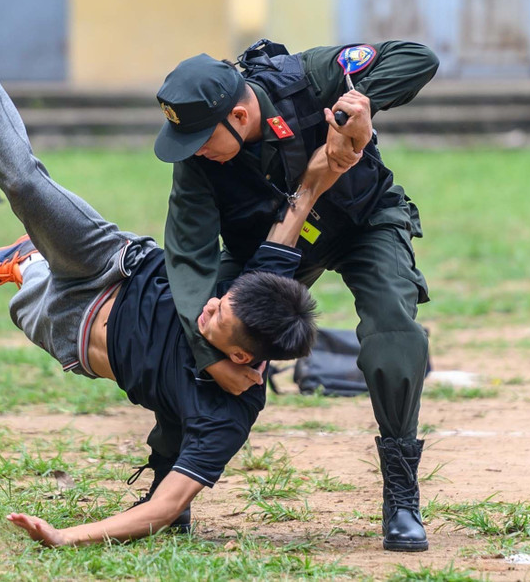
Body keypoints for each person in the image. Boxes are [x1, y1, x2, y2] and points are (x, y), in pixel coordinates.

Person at [0, 0, 360, 545]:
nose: (206, 304)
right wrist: (331, 165)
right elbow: (296, 211)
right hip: (113, 261)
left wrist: (66, 536)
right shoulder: (261, 296)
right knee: (24, 181)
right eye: (220, 299)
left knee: (24, 298)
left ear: (241, 352)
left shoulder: (228, 414)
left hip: (72, 326)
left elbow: (167, 506)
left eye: (216, 318)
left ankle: (25, 263)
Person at [154, 38, 439, 551]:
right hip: (272, 249)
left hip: (363, 220)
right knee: (196, 335)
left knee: (391, 329)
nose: (192, 148)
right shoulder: (197, 163)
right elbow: (187, 261)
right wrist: (209, 352)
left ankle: (401, 495)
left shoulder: (308, 77)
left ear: (239, 116)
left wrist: (362, 103)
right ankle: (167, 483)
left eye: (199, 137)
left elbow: (418, 58)